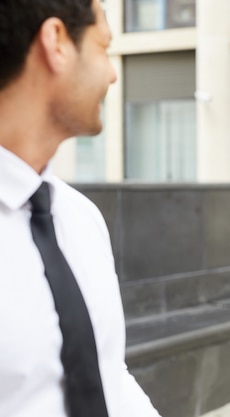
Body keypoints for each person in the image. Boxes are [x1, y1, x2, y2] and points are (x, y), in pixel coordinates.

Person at [0, 0, 161, 416]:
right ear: (56, 43)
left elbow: (109, 375)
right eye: (104, 46)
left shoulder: (80, 218)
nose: (112, 73)